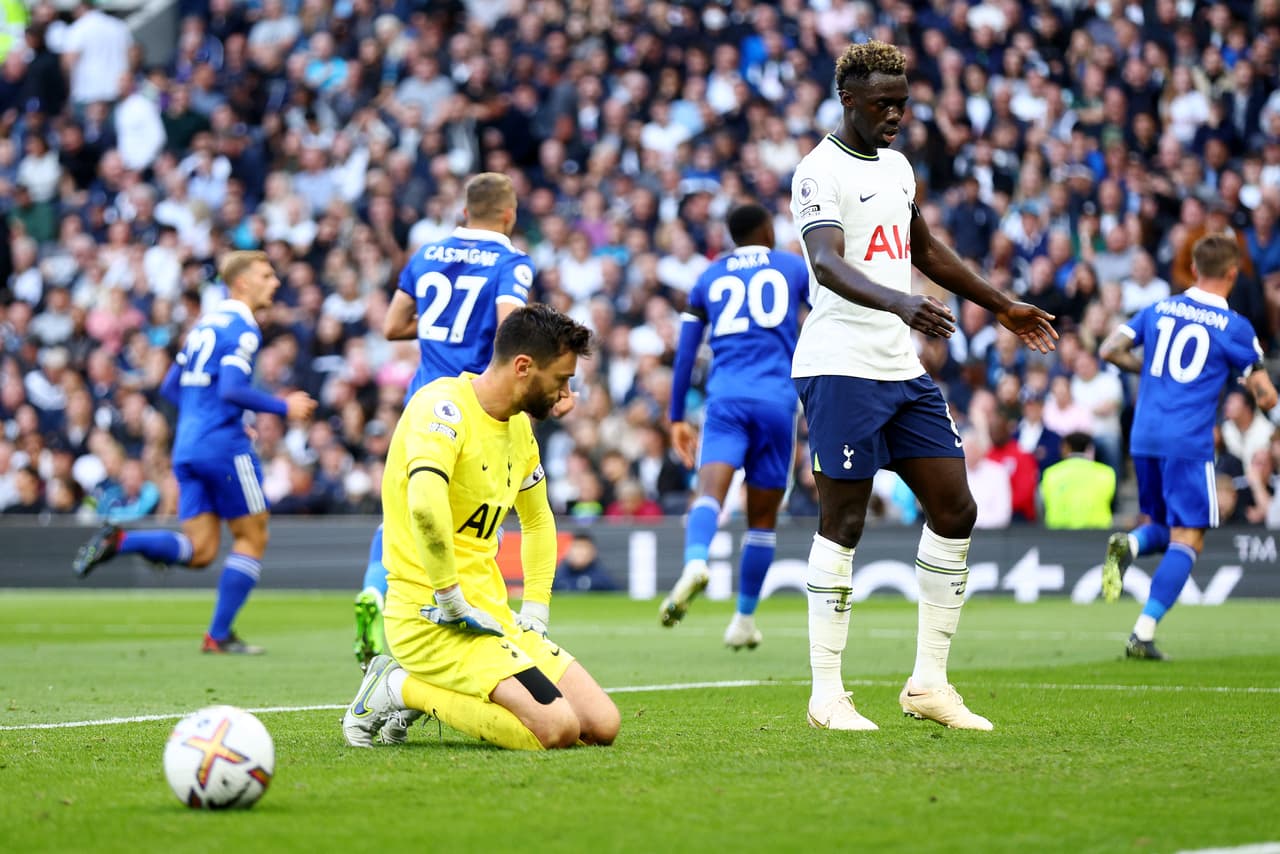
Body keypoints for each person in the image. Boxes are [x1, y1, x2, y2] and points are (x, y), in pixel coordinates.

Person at [789, 41, 1056, 731]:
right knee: (843, 522)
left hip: (898, 367)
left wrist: (1000, 304)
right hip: (840, 363)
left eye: (904, 103)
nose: (897, 116)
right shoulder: (819, 171)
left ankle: (928, 685)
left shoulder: (900, 167)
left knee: (956, 508)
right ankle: (826, 694)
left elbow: (925, 250)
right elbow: (824, 262)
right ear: (849, 100)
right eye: (884, 104)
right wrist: (902, 303)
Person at [340, 304, 619, 751]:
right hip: (431, 618)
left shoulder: (519, 430)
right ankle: (397, 687)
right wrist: (450, 600)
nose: (567, 394)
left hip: (493, 618)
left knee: (602, 725)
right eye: (562, 379)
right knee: (557, 729)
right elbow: (426, 508)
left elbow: (538, 519)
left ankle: (427, 683)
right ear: (524, 367)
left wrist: (536, 611)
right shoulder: (441, 408)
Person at [72, 251, 317, 653]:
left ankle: (121, 542)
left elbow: (171, 386)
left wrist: (203, 417)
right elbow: (232, 390)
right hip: (223, 446)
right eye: (266, 275)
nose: (275, 282)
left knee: (201, 549)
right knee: (252, 537)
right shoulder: (244, 327)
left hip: (187, 445)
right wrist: (283, 406)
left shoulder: (207, 324)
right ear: (242, 283)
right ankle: (218, 636)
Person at [353, 172, 538, 670]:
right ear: (509, 214)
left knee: (405, 509)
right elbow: (508, 329)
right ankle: (460, 618)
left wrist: (438, 323)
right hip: (473, 406)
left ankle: (376, 590)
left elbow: (393, 326)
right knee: (479, 515)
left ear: (464, 211)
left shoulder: (426, 255)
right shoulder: (511, 263)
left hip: (421, 402)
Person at [1099, 234, 1277, 659]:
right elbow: (1266, 394)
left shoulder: (1159, 308)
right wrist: (1252, 388)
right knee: (1190, 537)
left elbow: (1109, 349)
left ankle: (1133, 545)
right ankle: (1142, 634)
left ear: (1194, 269)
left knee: (1163, 524)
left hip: (1144, 436)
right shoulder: (1234, 326)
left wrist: (1153, 374)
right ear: (1233, 273)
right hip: (1187, 441)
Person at [659, 202, 809, 650]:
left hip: (725, 398)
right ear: (766, 229)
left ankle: (696, 560)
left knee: (709, 494)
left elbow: (686, 353)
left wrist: (674, 418)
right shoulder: (793, 268)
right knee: (761, 520)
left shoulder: (709, 276)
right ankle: (743, 618)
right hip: (777, 402)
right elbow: (824, 318)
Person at [1039, 432, 1116, 529]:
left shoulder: (1051, 473)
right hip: (1097, 533)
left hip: (1058, 534)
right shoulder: (1106, 473)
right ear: (1088, 448)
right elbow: (1113, 503)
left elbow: (1042, 503)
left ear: (1066, 447)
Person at [553, 532, 620, 593]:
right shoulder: (557, 576)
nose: (579, 552)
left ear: (593, 552)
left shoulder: (602, 579)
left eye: (583, 548)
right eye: (576, 547)